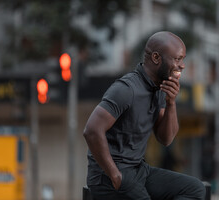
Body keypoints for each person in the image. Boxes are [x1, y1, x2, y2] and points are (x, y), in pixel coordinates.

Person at [83, 31, 206, 199]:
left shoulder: (160, 90)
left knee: (196, 189)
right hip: (108, 176)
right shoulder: (126, 89)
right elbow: (92, 130)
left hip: (138, 170)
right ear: (156, 58)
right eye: (177, 59)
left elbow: (166, 139)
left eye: (182, 59)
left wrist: (171, 103)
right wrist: (114, 174)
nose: (182, 65)